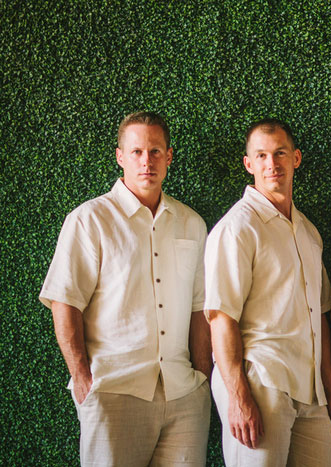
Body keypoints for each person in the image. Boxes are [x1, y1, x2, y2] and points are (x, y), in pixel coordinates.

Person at [40, 111, 212, 466]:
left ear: (169, 156)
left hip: (184, 395)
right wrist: (82, 379)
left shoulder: (192, 223)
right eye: (136, 152)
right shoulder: (89, 220)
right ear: (120, 157)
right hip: (113, 391)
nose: (146, 161)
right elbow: (64, 302)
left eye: (155, 151)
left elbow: (201, 309)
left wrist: (203, 381)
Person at [205, 118, 331, 466]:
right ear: (248, 164)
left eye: (280, 153)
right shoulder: (237, 229)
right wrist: (237, 397)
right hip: (261, 381)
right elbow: (221, 317)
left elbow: (320, 315)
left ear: (295, 158)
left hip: (310, 390)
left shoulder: (308, 232)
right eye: (262, 155)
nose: (272, 164)